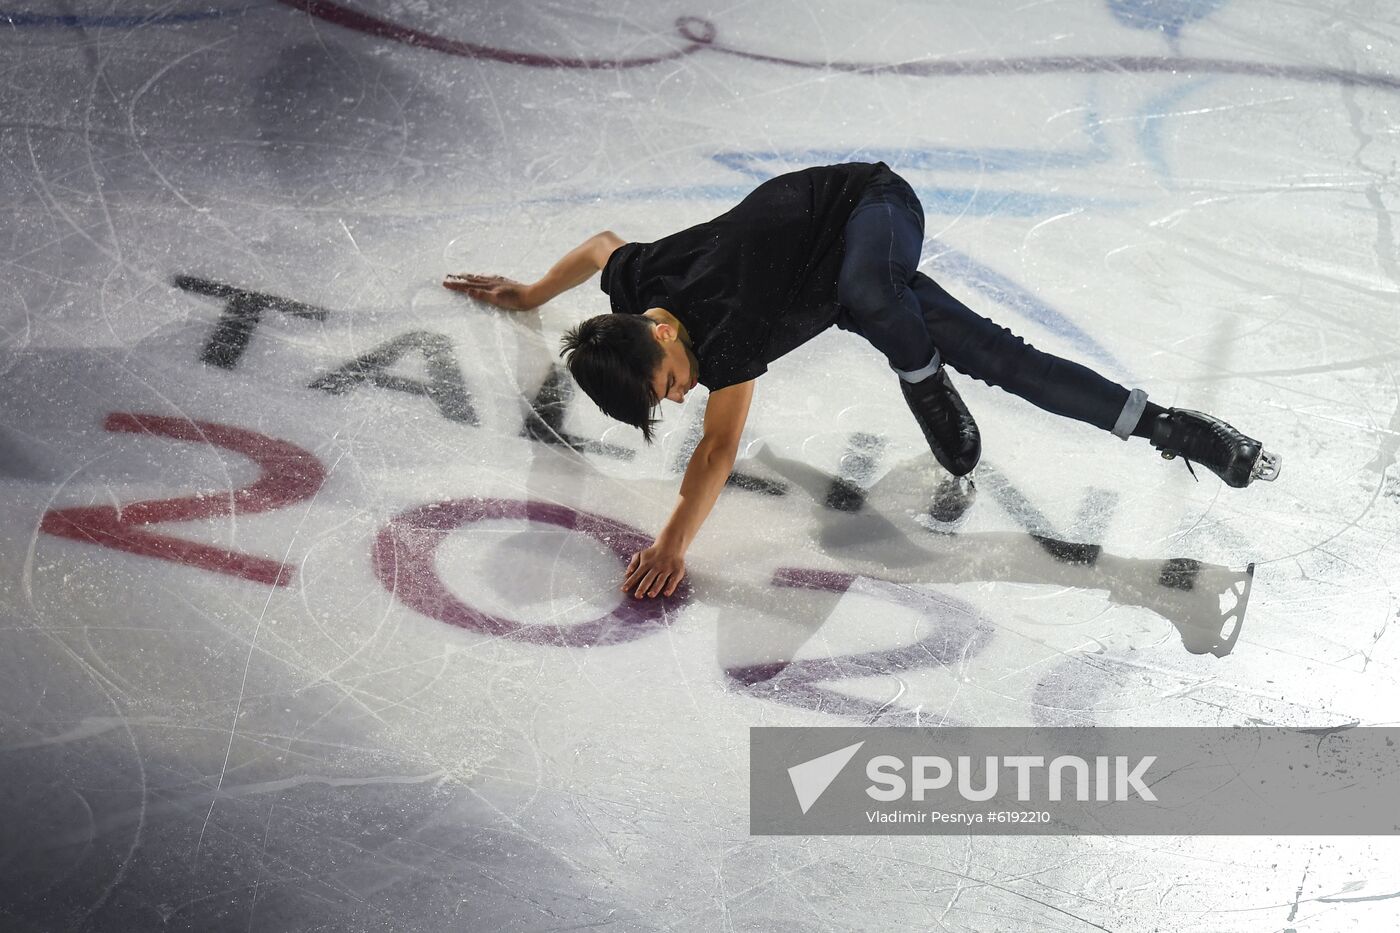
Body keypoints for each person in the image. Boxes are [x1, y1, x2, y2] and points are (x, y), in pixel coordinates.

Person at [444, 162, 1280, 600]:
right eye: (665, 401)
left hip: (869, 208)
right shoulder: (644, 291)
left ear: (660, 332)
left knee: (874, 293)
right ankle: (1176, 429)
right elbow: (597, 247)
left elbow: (719, 449)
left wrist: (670, 544)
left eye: (666, 383)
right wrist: (526, 295)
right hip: (849, 292)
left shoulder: (718, 342)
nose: (678, 395)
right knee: (999, 358)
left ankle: (922, 380)